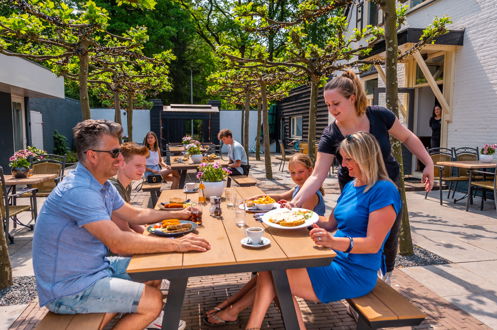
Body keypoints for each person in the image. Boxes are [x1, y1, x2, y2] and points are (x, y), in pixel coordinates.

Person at [32, 120, 211, 330]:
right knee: (153, 301)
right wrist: (177, 244)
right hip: (68, 289)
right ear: (92, 155)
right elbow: (118, 243)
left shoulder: (102, 184)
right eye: (115, 152)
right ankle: (146, 317)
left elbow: (136, 214)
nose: (120, 158)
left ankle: (143, 322)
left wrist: (179, 213)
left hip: (94, 270)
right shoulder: (78, 191)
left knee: (154, 268)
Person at [245, 131, 402, 329]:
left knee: (276, 276)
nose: (343, 165)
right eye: (342, 158)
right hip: (332, 258)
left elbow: (372, 245)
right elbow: (329, 223)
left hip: (356, 272)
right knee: (272, 270)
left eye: (348, 159)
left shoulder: (384, 190)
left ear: (366, 157)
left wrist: (332, 241)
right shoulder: (352, 186)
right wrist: (297, 211)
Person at [290, 70, 434, 282]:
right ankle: (353, 275)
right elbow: (317, 175)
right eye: (328, 105)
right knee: (354, 227)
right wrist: (295, 202)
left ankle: (386, 279)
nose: (331, 110)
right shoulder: (331, 134)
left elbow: (407, 137)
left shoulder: (379, 115)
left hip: (386, 182)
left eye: (336, 104)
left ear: (352, 98)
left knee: (388, 235)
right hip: (353, 185)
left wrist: (428, 162)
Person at [203, 153, 325, 326]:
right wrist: (260, 198)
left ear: (310, 171)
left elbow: (299, 220)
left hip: (305, 245)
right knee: (266, 272)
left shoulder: (311, 195)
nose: (296, 176)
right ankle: (229, 306)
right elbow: (282, 195)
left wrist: (280, 211)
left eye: (300, 172)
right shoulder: (299, 189)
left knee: (272, 273)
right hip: (295, 240)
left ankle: (232, 308)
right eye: (292, 173)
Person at [109, 142, 149, 234]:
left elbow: (129, 219)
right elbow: (124, 230)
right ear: (122, 164)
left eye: (144, 166)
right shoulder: (114, 188)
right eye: (138, 165)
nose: (143, 170)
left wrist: (149, 230)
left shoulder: (127, 184)